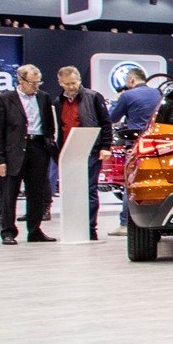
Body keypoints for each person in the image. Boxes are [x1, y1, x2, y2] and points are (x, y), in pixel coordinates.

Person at [0, 64, 59, 244]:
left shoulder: (43, 98)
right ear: (20, 80)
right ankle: (8, 231)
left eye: (39, 82)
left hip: (38, 148)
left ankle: (35, 230)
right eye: (32, 83)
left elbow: (49, 126)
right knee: (9, 192)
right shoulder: (5, 99)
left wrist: (48, 145)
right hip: (14, 150)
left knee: (36, 192)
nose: (36, 86)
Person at [55, 66, 113, 240]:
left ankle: (90, 228)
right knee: (71, 190)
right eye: (66, 84)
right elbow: (59, 126)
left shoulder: (93, 97)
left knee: (89, 189)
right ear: (60, 83)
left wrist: (105, 146)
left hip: (91, 149)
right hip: (68, 151)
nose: (71, 87)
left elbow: (105, 123)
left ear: (79, 80)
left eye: (73, 83)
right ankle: (74, 227)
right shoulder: (58, 101)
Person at [109, 68, 162, 229]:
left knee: (131, 183)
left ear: (132, 80)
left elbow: (112, 117)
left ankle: (125, 223)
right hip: (157, 143)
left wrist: (117, 101)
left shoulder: (127, 95)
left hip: (135, 143)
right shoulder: (158, 94)